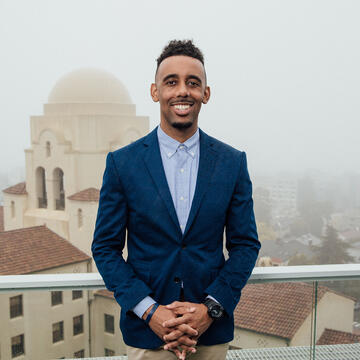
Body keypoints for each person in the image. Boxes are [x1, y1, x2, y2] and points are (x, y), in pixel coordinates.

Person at [92, 39, 261, 360]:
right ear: (155, 91)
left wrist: (211, 308)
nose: (182, 91)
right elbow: (104, 247)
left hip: (210, 333)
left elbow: (246, 245)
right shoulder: (122, 163)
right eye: (171, 82)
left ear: (205, 94)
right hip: (148, 334)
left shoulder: (232, 162)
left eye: (192, 83)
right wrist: (149, 311)